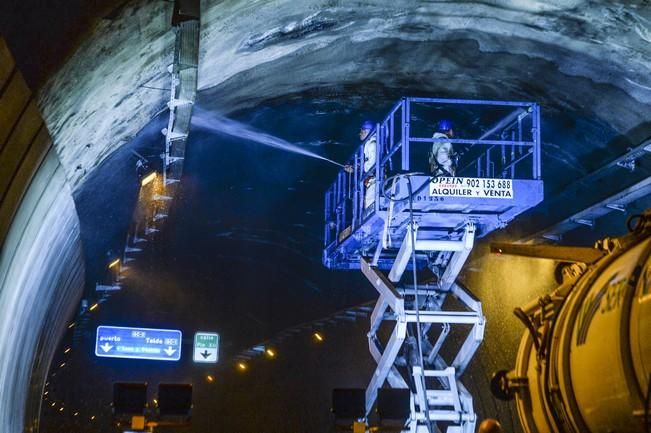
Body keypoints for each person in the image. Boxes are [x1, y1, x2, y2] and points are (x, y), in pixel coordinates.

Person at [360, 120, 377, 210]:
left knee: (370, 206)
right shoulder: (370, 144)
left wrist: (357, 169)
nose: (360, 134)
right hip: (372, 180)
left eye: (362, 131)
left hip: (374, 180)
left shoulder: (372, 145)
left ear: (367, 131)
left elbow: (372, 166)